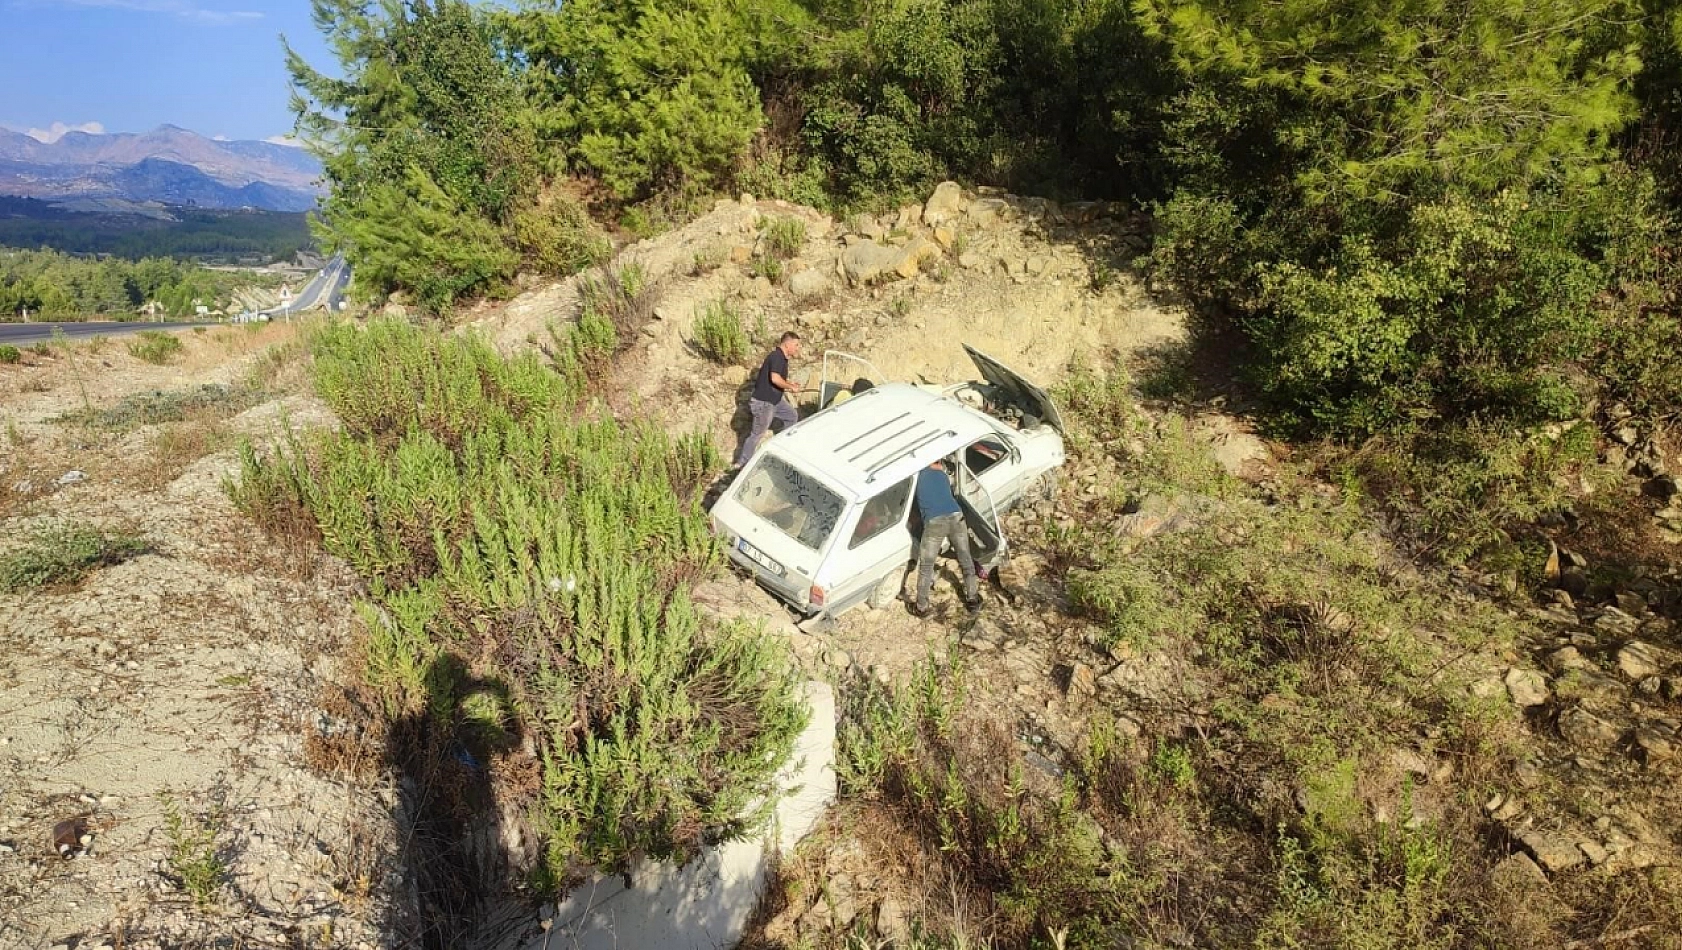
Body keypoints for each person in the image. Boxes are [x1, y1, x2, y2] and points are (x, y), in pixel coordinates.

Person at [911, 459, 981, 617]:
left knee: (927, 565)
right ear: (938, 462)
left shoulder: (918, 476)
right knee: (965, 559)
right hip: (956, 516)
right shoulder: (942, 475)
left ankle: (922, 607)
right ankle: (973, 600)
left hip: (934, 522)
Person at [735, 331, 803, 468]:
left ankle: (783, 449)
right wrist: (790, 387)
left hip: (775, 401)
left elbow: (777, 378)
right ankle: (742, 463)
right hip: (764, 403)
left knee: (791, 416)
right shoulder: (776, 357)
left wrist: (790, 384)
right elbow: (775, 378)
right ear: (787, 343)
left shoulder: (781, 358)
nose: (798, 348)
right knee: (757, 434)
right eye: (796, 345)